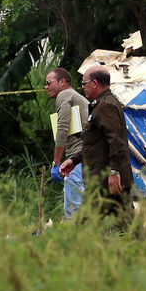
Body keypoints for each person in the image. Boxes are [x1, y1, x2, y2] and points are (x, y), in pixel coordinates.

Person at [59, 66, 133, 225]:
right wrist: (74, 160)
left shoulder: (106, 106)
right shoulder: (100, 105)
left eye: (84, 83)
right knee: (127, 225)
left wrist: (114, 173)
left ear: (95, 83)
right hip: (102, 180)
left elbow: (116, 142)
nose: (82, 87)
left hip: (107, 180)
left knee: (88, 226)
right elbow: (94, 143)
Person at [45, 67, 89, 219]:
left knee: (73, 209)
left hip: (77, 156)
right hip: (87, 155)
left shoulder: (64, 94)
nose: (46, 87)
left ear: (62, 82)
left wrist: (56, 162)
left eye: (49, 82)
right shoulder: (76, 97)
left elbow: (62, 127)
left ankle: (76, 241)